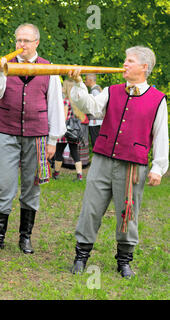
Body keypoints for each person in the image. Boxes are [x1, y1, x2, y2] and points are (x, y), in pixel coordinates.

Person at [68, 46, 168, 278]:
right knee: (91, 209)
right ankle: (81, 257)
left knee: (127, 214)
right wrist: (79, 84)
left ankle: (124, 261)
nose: (124, 64)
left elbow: (161, 134)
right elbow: (90, 108)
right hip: (103, 160)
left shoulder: (157, 99)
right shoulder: (112, 91)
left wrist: (158, 168)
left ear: (144, 67)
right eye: (125, 60)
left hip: (132, 166)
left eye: (129, 61)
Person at [0, 23, 66, 256]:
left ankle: (25, 238)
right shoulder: (5, 64)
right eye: (19, 40)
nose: (21, 45)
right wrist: (0, 70)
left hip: (37, 135)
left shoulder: (49, 68)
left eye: (26, 41)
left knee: (32, 186)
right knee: (3, 185)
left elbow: (56, 106)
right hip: (6, 131)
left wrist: (53, 139)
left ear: (36, 43)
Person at [53, 79, 84, 181]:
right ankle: (79, 175)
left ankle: (56, 174)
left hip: (64, 131)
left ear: (64, 88)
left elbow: (64, 117)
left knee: (59, 152)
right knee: (74, 153)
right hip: (72, 131)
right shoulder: (73, 101)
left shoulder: (64, 101)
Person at [84, 73, 103, 148]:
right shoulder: (97, 89)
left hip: (95, 120)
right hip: (97, 120)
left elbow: (97, 105)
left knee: (95, 142)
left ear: (90, 80)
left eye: (86, 80)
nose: (85, 81)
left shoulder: (95, 91)